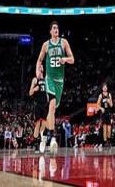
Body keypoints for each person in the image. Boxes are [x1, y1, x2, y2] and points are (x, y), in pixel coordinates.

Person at [36, 20, 75, 153]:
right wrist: (37, 70)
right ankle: (52, 138)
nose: (56, 29)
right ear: (50, 31)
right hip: (50, 79)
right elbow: (39, 60)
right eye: (54, 28)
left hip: (60, 81)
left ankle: (44, 135)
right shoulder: (46, 45)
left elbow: (72, 59)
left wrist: (65, 59)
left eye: (57, 28)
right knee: (52, 105)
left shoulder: (64, 42)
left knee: (52, 111)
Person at [29, 72, 47, 153]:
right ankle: (36, 144)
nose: (40, 69)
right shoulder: (35, 79)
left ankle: (41, 142)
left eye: (41, 67)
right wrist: (34, 89)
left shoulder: (46, 80)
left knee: (44, 125)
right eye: (39, 67)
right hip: (38, 105)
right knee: (37, 124)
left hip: (45, 105)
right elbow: (30, 93)